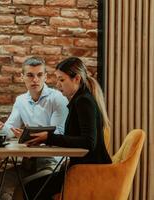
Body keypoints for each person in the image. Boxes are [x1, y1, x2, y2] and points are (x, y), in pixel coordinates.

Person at [24, 57, 112, 200]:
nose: (58, 85)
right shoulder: (80, 99)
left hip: (89, 171)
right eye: (57, 80)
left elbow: (89, 142)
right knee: (31, 186)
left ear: (76, 79)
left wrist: (49, 137)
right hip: (82, 168)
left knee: (31, 189)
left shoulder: (83, 101)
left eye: (62, 80)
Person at [0, 56, 69, 200]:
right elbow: (10, 130)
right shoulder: (21, 100)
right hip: (28, 164)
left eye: (39, 75)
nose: (35, 79)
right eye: (30, 75)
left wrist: (27, 136)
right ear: (22, 77)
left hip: (51, 164)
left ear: (46, 77)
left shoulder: (58, 99)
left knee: (23, 188)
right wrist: (0, 127)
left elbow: (58, 135)